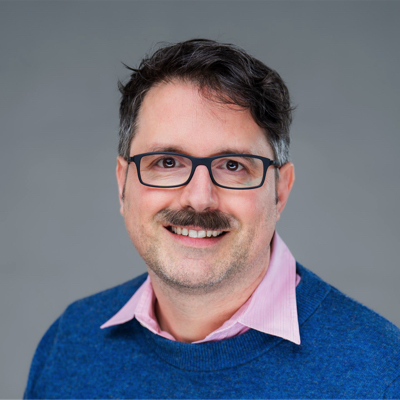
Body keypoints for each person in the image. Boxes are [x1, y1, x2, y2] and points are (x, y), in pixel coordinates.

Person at [24, 39, 400, 399]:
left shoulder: (383, 373)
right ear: (123, 184)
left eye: (232, 165)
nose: (200, 198)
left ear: (280, 191)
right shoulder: (68, 344)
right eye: (167, 162)